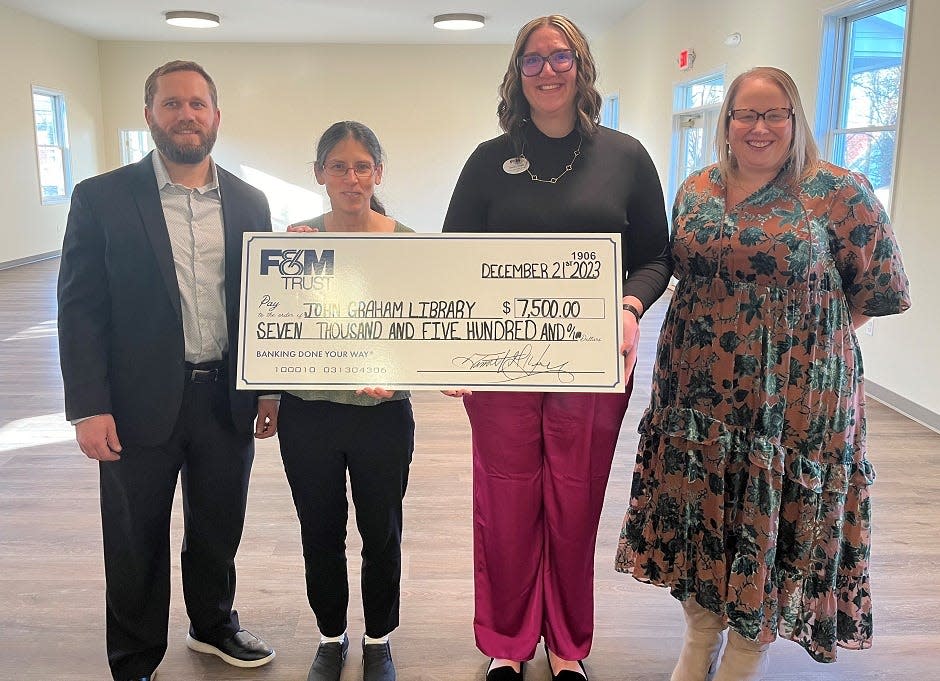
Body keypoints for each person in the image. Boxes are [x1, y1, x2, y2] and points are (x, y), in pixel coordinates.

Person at [615, 66, 911, 681]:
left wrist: (800, 341)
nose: (759, 127)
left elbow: (876, 291)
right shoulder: (696, 187)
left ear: (795, 120)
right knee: (705, 515)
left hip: (793, 408)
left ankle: (745, 658)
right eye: (745, 114)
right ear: (725, 122)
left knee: (769, 523)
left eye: (774, 113)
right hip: (696, 397)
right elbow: (679, 269)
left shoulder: (839, 193)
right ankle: (698, 643)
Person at [442, 15, 672, 681]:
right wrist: (449, 347)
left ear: (582, 66)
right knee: (507, 499)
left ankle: (568, 642)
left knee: (576, 498)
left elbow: (655, 256)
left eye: (559, 56)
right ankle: (508, 641)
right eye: (533, 60)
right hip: (500, 361)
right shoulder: (488, 161)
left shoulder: (626, 157)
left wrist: (630, 305)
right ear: (518, 73)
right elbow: (454, 259)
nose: (547, 70)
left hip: (593, 362)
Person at [57, 60, 279, 681]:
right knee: (135, 538)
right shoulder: (101, 198)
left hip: (225, 398)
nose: (186, 115)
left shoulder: (248, 200)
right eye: (172, 103)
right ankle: (134, 657)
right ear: (150, 114)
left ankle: (213, 625)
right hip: (134, 402)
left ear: (216, 116)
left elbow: (261, 304)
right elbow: (79, 307)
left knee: (217, 524)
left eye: (197, 104)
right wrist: (88, 404)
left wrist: (267, 387)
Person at [279, 121, 414, 681]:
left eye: (362, 167)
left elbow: (422, 327)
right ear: (319, 175)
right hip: (308, 413)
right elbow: (278, 328)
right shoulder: (296, 243)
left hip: (382, 416)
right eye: (338, 166)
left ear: (378, 173)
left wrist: (412, 371)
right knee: (320, 528)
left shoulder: (407, 243)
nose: (351, 177)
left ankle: (379, 639)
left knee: (381, 530)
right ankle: (330, 636)